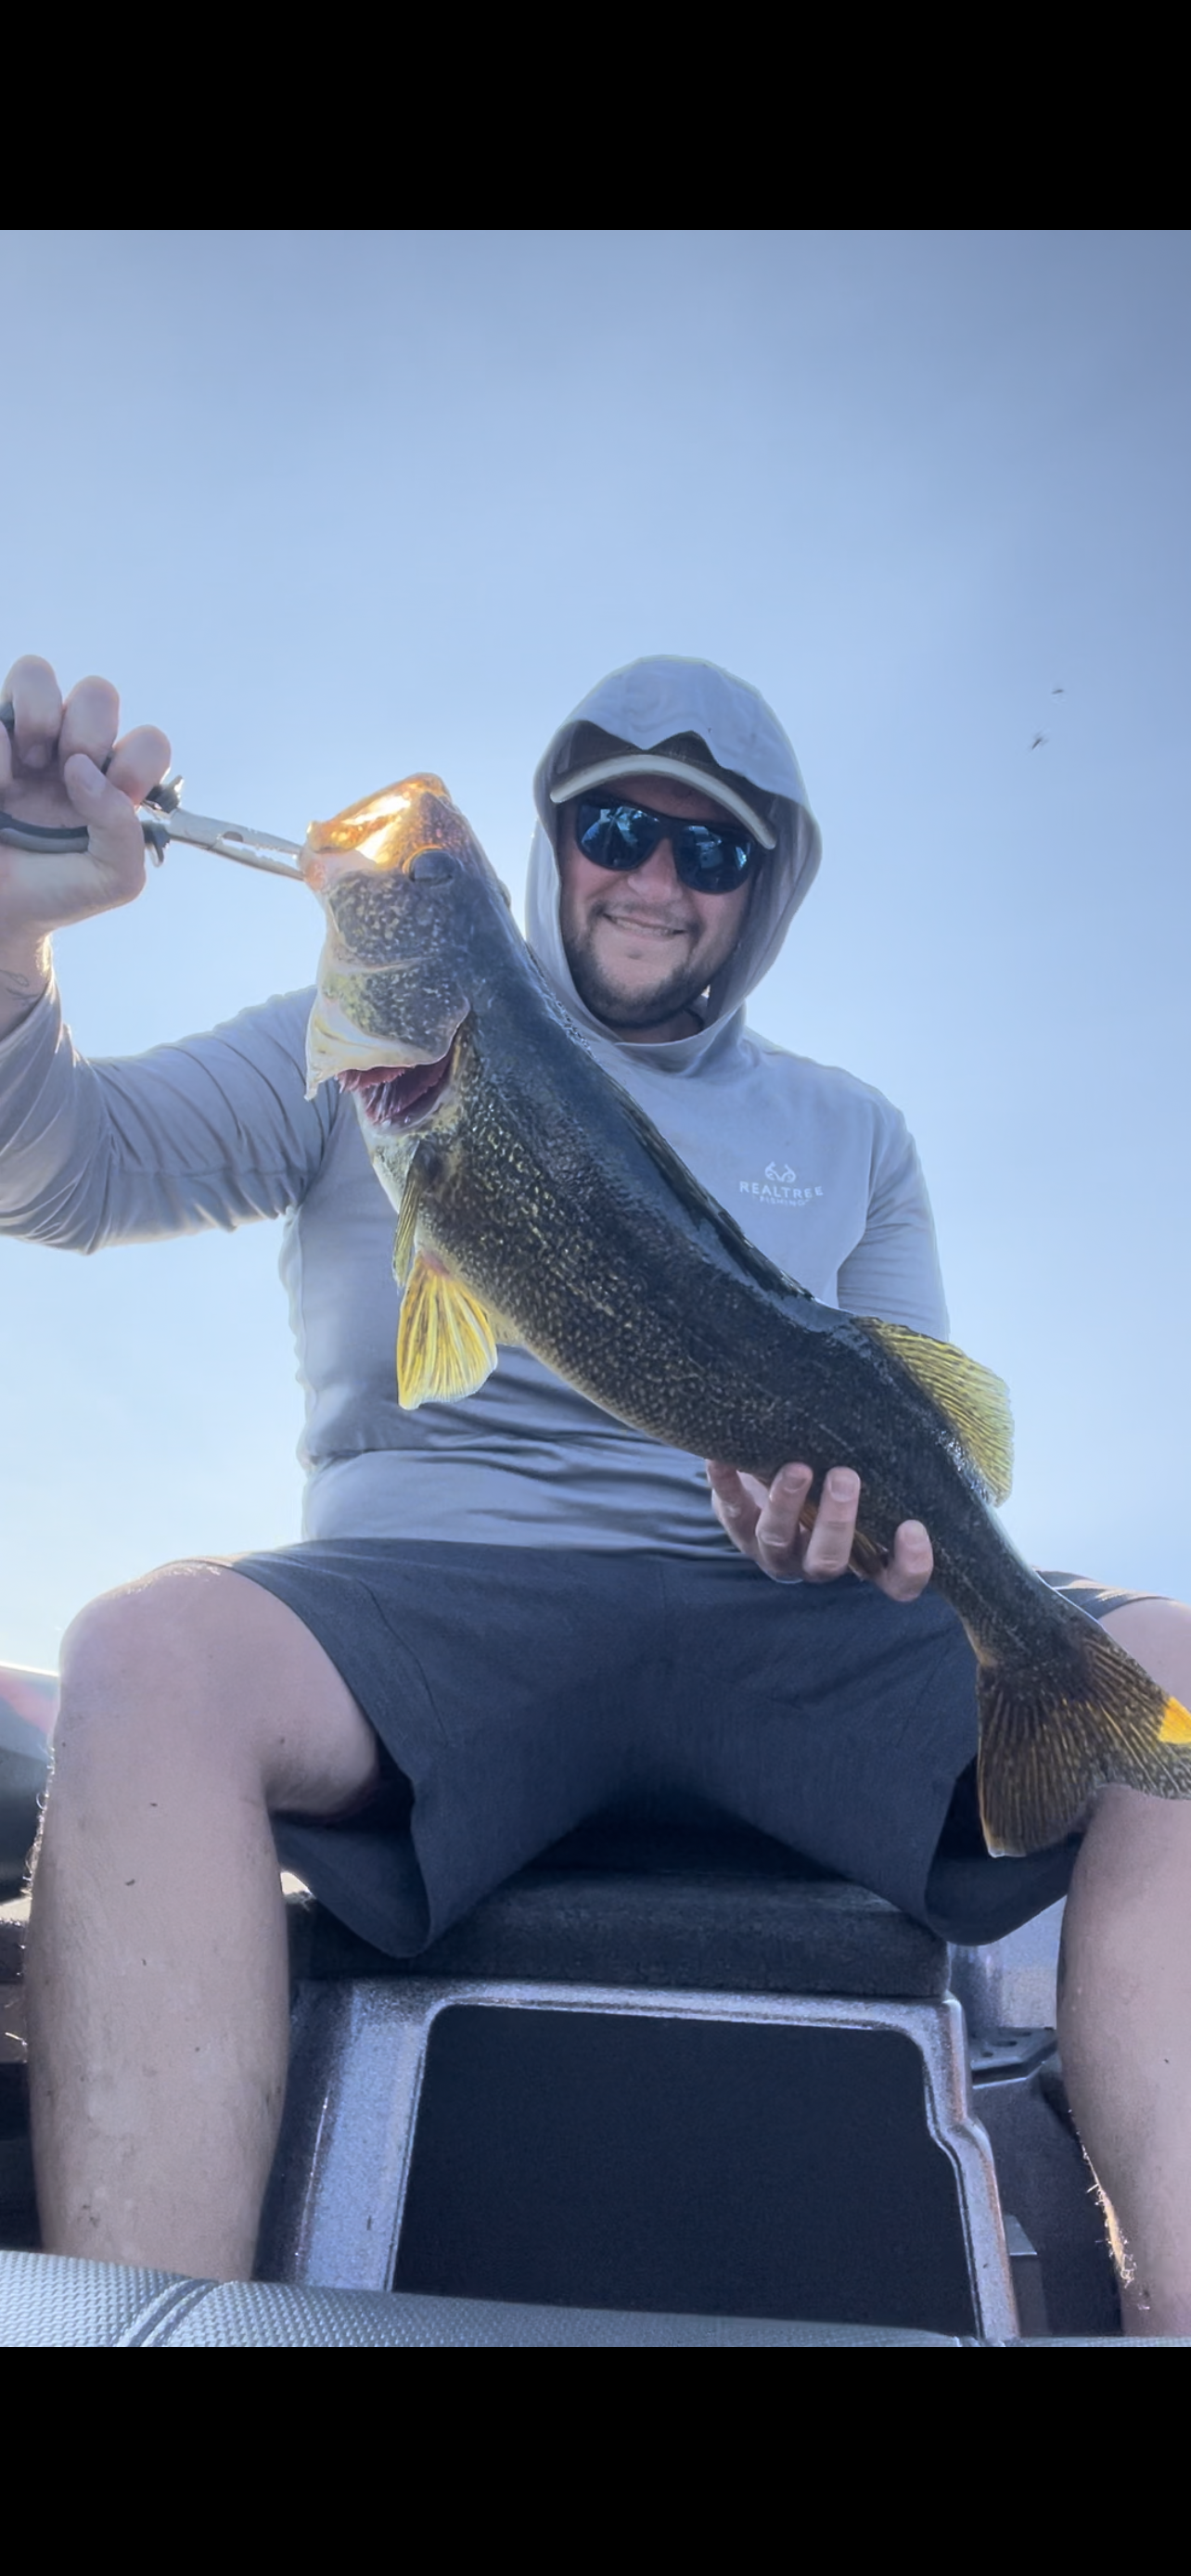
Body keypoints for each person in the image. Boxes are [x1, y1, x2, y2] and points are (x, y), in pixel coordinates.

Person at [3, 650, 1191, 2329]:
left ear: (767, 890)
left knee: (1175, 1681)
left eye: (710, 850)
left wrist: (854, 1537)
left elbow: (919, 1440)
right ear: (553, 841)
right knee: (140, 1654)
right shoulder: (353, 1048)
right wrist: (14, 937)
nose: (652, 878)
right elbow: (58, 1172)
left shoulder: (859, 1134)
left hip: (784, 1619)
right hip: (431, 1600)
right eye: (615, 827)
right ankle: (154, 2319)